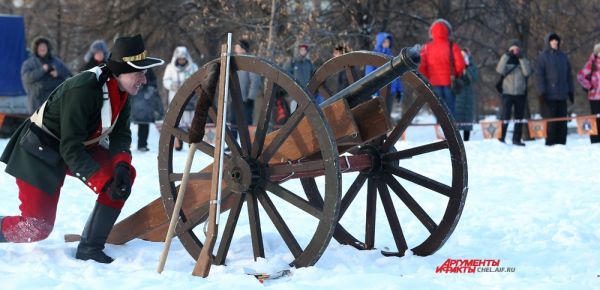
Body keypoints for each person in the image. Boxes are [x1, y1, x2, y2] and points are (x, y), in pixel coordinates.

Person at [0, 35, 165, 264]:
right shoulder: (84, 88)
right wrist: (102, 181)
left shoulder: (123, 91)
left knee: (124, 175)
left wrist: (120, 167)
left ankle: (90, 247)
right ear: (122, 71)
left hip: (76, 145)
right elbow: (70, 148)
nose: (144, 79)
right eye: (139, 72)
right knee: (35, 228)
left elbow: (121, 135)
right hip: (40, 150)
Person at [418, 19, 465, 117]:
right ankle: (452, 131)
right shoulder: (452, 46)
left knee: (438, 109)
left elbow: (421, 66)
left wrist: (430, 76)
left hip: (434, 82)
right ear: (447, 31)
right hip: (449, 82)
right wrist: (455, 75)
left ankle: (440, 130)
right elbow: (460, 65)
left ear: (432, 32)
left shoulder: (426, 48)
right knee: (450, 109)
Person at [535, 32, 574, 146]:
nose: (555, 42)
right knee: (551, 123)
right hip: (549, 96)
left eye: (556, 41)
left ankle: (562, 143)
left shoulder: (563, 56)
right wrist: (541, 92)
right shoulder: (543, 57)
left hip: (562, 95)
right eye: (552, 41)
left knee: (562, 122)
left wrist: (571, 91)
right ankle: (550, 143)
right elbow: (539, 76)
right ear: (548, 42)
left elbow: (569, 75)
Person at [21, 36, 71, 114]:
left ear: (48, 48)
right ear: (36, 48)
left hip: (54, 101)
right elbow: (27, 78)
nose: (42, 48)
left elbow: (69, 75)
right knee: (37, 124)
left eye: (44, 46)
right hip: (36, 102)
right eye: (40, 47)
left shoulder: (57, 62)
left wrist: (58, 73)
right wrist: (42, 70)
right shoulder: (29, 63)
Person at [496, 39, 532, 146]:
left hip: (520, 93)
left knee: (519, 117)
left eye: (517, 49)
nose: (515, 51)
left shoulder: (523, 59)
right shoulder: (506, 59)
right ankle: (501, 138)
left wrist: (521, 58)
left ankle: (516, 139)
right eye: (513, 49)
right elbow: (499, 70)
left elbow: (527, 72)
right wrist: (506, 55)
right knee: (505, 115)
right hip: (507, 92)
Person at [163, 46, 199, 150]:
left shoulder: (193, 67)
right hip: (175, 98)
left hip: (190, 99)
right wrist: (172, 85)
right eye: (180, 59)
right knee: (177, 122)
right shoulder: (170, 67)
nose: (182, 60)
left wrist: (191, 87)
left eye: (183, 58)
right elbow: (166, 80)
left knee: (190, 122)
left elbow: (198, 79)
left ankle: (191, 143)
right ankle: (178, 144)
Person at [365, 32, 404, 114]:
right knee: (378, 115)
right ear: (380, 42)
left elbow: (397, 74)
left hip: (391, 90)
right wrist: (373, 90)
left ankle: (388, 127)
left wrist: (399, 90)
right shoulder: (373, 56)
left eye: (388, 41)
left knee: (387, 114)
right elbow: (369, 74)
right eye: (385, 41)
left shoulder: (391, 56)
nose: (387, 43)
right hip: (378, 90)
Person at [130, 68, 164, 151]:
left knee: (144, 123)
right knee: (125, 123)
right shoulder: (131, 66)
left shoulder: (149, 69)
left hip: (146, 99)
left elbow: (153, 82)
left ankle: (142, 145)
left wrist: (150, 89)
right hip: (133, 98)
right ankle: (125, 144)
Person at [576, 43, 600, 144]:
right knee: (595, 119)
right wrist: (589, 86)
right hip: (594, 97)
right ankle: (595, 139)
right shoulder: (591, 64)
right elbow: (580, 76)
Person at [455, 48, 479, 141]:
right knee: (456, 117)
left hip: (469, 95)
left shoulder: (472, 66)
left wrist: (467, 68)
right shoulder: (455, 65)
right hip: (458, 94)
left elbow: (474, 78)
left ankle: (467, 141)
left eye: (465, 55)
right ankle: (456, 141)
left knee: (468, 117)